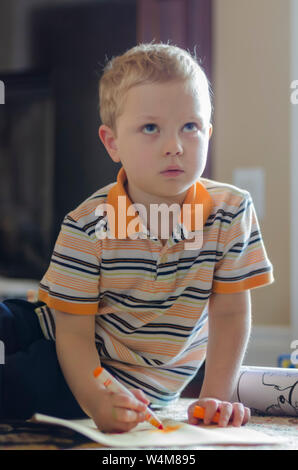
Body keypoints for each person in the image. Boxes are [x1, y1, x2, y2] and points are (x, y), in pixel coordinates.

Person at [0, 42, 274, 432]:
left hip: (111, 379)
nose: (174, 146)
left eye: (190, 127)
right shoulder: (88, 223)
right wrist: (95, 394)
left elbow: (230, 314)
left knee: (20, 382)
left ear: (208, 132)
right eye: (150, 128)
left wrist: (214, 396)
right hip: (64, 333)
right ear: (112, 143)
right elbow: (73, 332)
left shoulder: (230, 212)